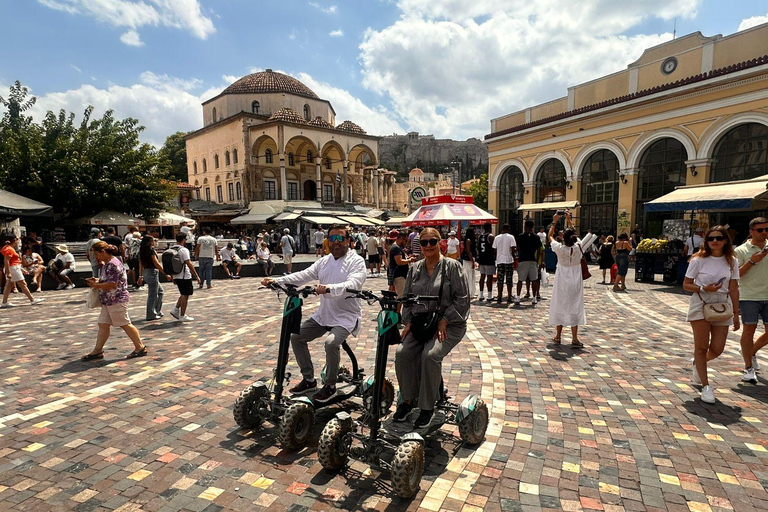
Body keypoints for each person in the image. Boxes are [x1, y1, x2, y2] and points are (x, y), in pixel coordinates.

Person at [261, 224, 367, 403]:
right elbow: (303, 275)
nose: (336, 242)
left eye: (340, 238)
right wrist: (277, 281)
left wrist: (328, 288)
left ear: (348, 240)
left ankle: (330, 385)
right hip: (324, 314)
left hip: (345, 317)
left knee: (331, 343)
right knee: (296, 337)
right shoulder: (324, 261)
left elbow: (354, 283)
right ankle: (309, 379)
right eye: (332, 238)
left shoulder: (356, 261)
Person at [393, 228, 470, 428]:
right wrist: (408, 321)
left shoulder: (452, 267)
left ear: (440, 243)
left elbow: (463, 299)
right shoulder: (415, 269)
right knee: (403, 353)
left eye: (432, 242)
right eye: (424, 242)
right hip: (421, 324)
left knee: (430, 356)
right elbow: (407, 299)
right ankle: (407, 400)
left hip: (448, 325)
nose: (428, 246)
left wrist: (445, 319)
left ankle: (427, 407)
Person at [682, 226, 740, 404]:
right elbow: (686, 284)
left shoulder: (732, 261)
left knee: (717, 348)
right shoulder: (698, 260)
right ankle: (706, 386)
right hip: (701, 301)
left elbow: (734, 288)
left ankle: (698, 363)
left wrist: (736, 313)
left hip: (722, 304)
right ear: (706, 241)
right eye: (711, 238)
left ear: (725, 240)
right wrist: (703, 288)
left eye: (719, 238)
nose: (715, 241)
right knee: (701, 347)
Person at [81, 241, 147, 361]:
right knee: (103, 324)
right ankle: (98, 350)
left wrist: (95, 285)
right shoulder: (108, 263)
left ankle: (140, 347)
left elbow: (112, 284)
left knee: (124, 323)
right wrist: (98, 280)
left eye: (96, 254)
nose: (96, 257)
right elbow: (109, 280)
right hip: (109, 300)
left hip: (116, 299)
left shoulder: (112, 264)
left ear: (103, 251)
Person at [547, 212, 593, 347]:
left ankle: (558, 336)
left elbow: (550, 236)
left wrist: (554, 221)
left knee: (560, 303)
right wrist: (569, 220)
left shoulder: (559, 248)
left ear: (563, 238)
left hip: (562, 279)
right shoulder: (578, 246)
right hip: (576, 279)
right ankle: (574, 338)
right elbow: (576, 236)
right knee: (575, 305)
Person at [735, 217, 768, 383]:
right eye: (760, 230)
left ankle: (750, 351)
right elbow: (735, 274)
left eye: (767, 229)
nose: (764, 233)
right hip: (749, 296)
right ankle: (748, 367)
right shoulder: (741, 250)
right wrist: (752, 261)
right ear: (751, 232)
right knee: (749, 330)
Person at [2, 234, 44, 308]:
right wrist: (9, 272)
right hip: (13, 268)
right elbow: (7, 261)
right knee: (22, 284)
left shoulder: (8, 248)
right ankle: (32, 300)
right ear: (14, 240)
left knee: (8, 286)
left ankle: (4, 302)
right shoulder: (9, 249)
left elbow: (11, 261)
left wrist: (21, 269)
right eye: (17, 239)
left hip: (14, 268)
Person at [137, 235, 172, 321]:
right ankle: (151, 314)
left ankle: (157, 311)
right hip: (152, 272)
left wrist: (141, 276)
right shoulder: (150, 251)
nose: (155, 242)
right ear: (149, 242)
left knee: (160, 291)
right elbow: (156, 263)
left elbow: (140, 265)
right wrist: (166, 273)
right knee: (153, 295)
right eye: (153, 241)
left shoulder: (142, 251)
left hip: (146, 272)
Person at [169, 233, 201, 322]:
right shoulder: (183, 250)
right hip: (184, 275)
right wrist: (196, 276)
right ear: (183, 240)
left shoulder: (171, 249)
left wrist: (172, 276)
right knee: (185, 295)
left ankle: (175, 309)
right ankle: (182, 315)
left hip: (176, 274)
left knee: (183, 293)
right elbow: (189, 263)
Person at [516, 220, 543, 305]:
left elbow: (518, 248)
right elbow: (539, 250)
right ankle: (534, 298)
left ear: (525, 226)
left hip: (523, 259)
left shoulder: (521, 236)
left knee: (520, 280)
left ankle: (518, 298)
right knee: (534, 280)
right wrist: (537, 260)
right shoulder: (536, 237)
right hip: (532, 260)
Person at [492, 224, 517, 304]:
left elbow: (494, 249)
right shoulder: (511, 237)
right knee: (509, 279)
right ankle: (509, 297)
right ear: (508, 229)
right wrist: (514, 257)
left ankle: (499, 296)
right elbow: (513, 249)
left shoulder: (497, 237)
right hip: (508, 260)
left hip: (500, 260)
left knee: (500, 279)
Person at [389, 230, 415, 297]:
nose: (406, 243)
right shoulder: (396, 248)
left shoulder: (396, 247)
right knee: (401, 296)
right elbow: (399, 262)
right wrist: (410, 260)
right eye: (405, 241)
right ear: (401, 239)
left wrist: (408, 258)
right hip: (399, 276)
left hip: (401, 275)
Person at [477, 222, 496, 302]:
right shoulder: (490, 236)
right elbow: (494, 248)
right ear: (489, 228)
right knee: (489, 277)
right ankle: (489, 295)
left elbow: (478, 247)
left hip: (482, 258)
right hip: (489, 258)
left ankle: (481, 295)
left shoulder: (480, 236)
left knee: (482, 276)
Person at [460, 227, 477, 299]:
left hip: (469, 259)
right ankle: (469, 292)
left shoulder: (467, 240)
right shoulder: (468, 240)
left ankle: (471, 291)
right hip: (468, 260)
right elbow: (468, 251)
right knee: (469, 275)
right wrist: (473, 261)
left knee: (471, 275)